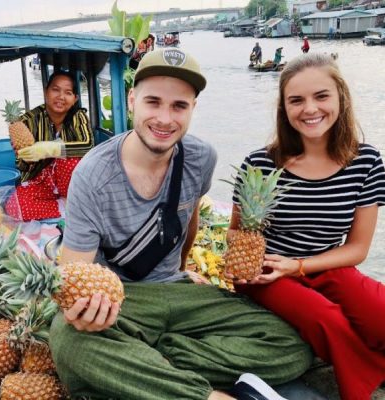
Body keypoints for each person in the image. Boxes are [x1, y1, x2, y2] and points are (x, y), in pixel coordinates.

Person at [49, 48, 313, 400]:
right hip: (125, 300)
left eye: (179, 106)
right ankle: (207, 395)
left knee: (291, 347)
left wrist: (185, 268)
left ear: (192, 110)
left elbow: (188, 218)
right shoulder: (91, 176)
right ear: (132, 101)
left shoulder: (201, 157)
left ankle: (146, 365)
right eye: (153, 102)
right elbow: (72, 278)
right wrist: (82, 313)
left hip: (180, 292)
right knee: (67, 338)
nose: (164, 118)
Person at [229, 53, 385, 400]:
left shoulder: (367, 161)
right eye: (296, 100)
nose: (309, 109)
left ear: (341, 97)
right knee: (326, 319)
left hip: (328, 266)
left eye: (321, 96)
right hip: (267, 272)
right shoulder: (259, 163)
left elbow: (357, 249)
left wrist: (299, 266)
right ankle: (363, 387)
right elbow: (236, 233)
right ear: (284, 108)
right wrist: (264, 265)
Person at [5, 70, 93, 221]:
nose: (61, 97)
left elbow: (88, 145)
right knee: (14, 206)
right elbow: (22, 166)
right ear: (46, 92)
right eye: (55, 90)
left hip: (72, 183)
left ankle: (69, 201)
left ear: (75, 98)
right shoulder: (27, 121)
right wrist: (27, 157)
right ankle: (65, 207)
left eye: (68, 92)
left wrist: (51, 149)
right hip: (42, 180)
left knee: (68, 156)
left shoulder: (78, 117)